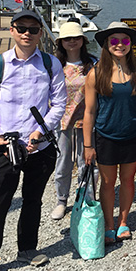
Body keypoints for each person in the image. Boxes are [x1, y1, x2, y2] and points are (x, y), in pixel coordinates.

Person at [0, 10, 66, 271]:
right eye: (21, 28)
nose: (27, 33)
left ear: (40, 34)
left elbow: (59, 103)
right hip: (7, 146)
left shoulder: (50, 64)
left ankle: (27, 249)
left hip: (40, 145)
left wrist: (40, 132)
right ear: (11, 30)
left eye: (33, 29)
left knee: (33, 199)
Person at [83, 21, 136, 244]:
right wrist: (88, 145)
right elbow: (89, 111)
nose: (120, 45)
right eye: (114, 40)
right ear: (106, 44)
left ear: (131, 44)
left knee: (127, 180)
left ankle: (123, 221)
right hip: (106, 136)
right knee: (106, 182)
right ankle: (109, 224)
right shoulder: (96, 73)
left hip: (133, 135)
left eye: (125, 41)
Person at [50, 21, 98, 220]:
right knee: (63, 163)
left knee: (87, 160)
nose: (72, 42)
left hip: (88, 120)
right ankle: (61, 200)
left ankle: (86, 197)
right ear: (61, 42)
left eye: (76, 38)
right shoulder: (54, 64)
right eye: (67, 39)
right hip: (62, 121)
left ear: (82, 40)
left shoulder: (93, 63)